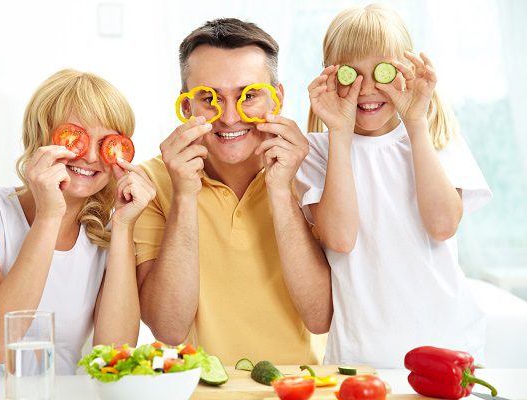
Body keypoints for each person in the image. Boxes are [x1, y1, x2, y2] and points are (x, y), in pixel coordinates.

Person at [297, 4, 492, 368]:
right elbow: (339, 238)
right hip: (358, 355)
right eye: (352, 74)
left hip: (449, 346)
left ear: (406, 70)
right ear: (330, 77)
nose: (368, 89)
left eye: (382, 72)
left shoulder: (437, 137)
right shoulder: (317, 153)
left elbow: (442, 225)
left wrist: (415, 121)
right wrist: (339, 132)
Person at [134, 18, 332, 365]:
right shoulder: (149, 183)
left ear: (277, 99)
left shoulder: (314, 171)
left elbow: (319, 317)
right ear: (186, 107)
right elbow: (168, 328)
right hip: (200, 390)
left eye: (249, 96)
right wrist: (184, 196)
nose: (228, 117)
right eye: (209, 98)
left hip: (302, 388)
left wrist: (281, 191)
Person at [0, 69, 156, 375]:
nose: (91, 156)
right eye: (74, 138)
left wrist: (122, 225)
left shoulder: (104, 237)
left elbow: (114, 356)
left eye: (107, 143)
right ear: (39, 137)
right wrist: (50, 215)